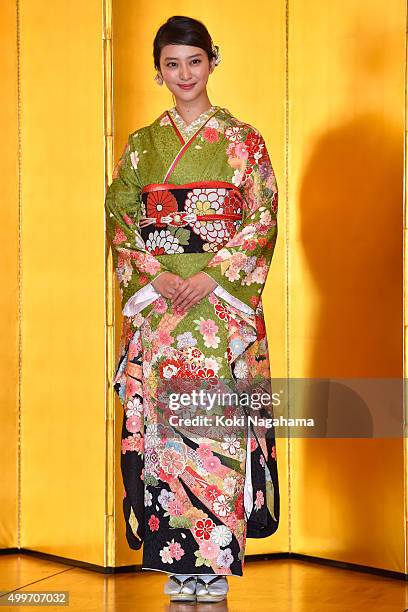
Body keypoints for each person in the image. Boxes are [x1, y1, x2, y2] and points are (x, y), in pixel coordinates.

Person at [105, 14, 280, 604]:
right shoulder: (140, 148)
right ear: (158, 72)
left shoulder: (243, 142)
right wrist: (156, 279)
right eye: (171, 64)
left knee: (218, 429)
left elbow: (261, 220)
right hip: (161, 312)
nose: (183, 74)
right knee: (163, 429)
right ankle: (176, 561)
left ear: (213, 62)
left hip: (219, 310)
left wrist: (209, 276)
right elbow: (122, 219)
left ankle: (215, 559)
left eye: (194, 61)